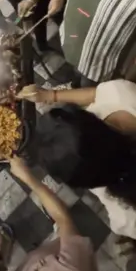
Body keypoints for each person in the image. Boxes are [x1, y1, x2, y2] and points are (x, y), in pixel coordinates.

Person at [18, 79, 136, 242]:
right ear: (89, 118)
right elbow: (96, 94)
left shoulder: (125, 217)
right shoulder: (124, 97)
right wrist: (49, 95)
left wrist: (28, 179)